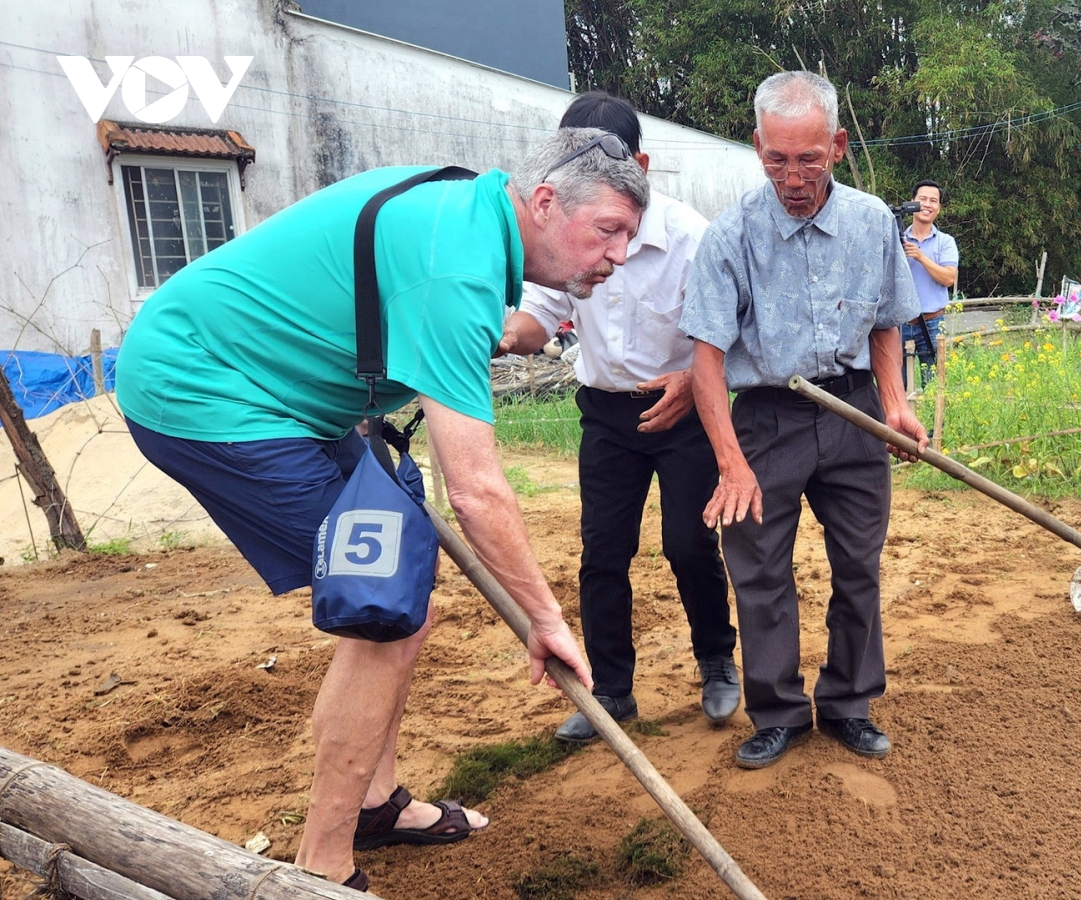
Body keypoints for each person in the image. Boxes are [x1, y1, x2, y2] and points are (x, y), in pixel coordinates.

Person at [115, 128, 648, 891]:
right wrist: (546, 618)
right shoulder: (456, 269)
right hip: (206, 389)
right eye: (608, 231)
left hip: (296, 397)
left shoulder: (468, 217)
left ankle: (373, 804)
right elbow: (477, 491)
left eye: (629, 236)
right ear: (543, 203)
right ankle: (323, 865)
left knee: (398, 596)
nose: (619, 254)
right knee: (384, 607)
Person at [679, 71, 928, 770]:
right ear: (757, 146)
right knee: (759, 571)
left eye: (809, 159)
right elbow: (706, 360)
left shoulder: (872, 222)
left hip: (854, 412)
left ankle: (849, 702)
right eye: (777, 159)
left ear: (838, 147)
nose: (793, 178)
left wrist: (895, 404)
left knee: (859, 565)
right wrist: (730, 463)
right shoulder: (731, 236)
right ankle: (779, 713)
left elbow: (886, 322)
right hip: (767, 419)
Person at [499, 92, 738, 744]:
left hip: (685, 414)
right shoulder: (561, 231)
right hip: (606, 416)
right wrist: (497, 335)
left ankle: (717, 661)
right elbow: (538, 316)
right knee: (603, 552)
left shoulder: (691, 237)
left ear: (641, 165)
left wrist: (692, 381)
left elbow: (729, 333)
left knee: (689, 544)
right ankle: (610, 692)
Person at [899, 180, 960, 384]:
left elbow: (948, 278)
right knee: (898, 385)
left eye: (933, 201)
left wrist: (920, 257)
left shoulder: (945, 241)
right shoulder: (897, 238)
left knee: (934, 385)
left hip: (933, 322)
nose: (927, 204)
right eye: (922, 199)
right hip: (900, 324)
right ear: (912, 203)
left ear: (939, 208)